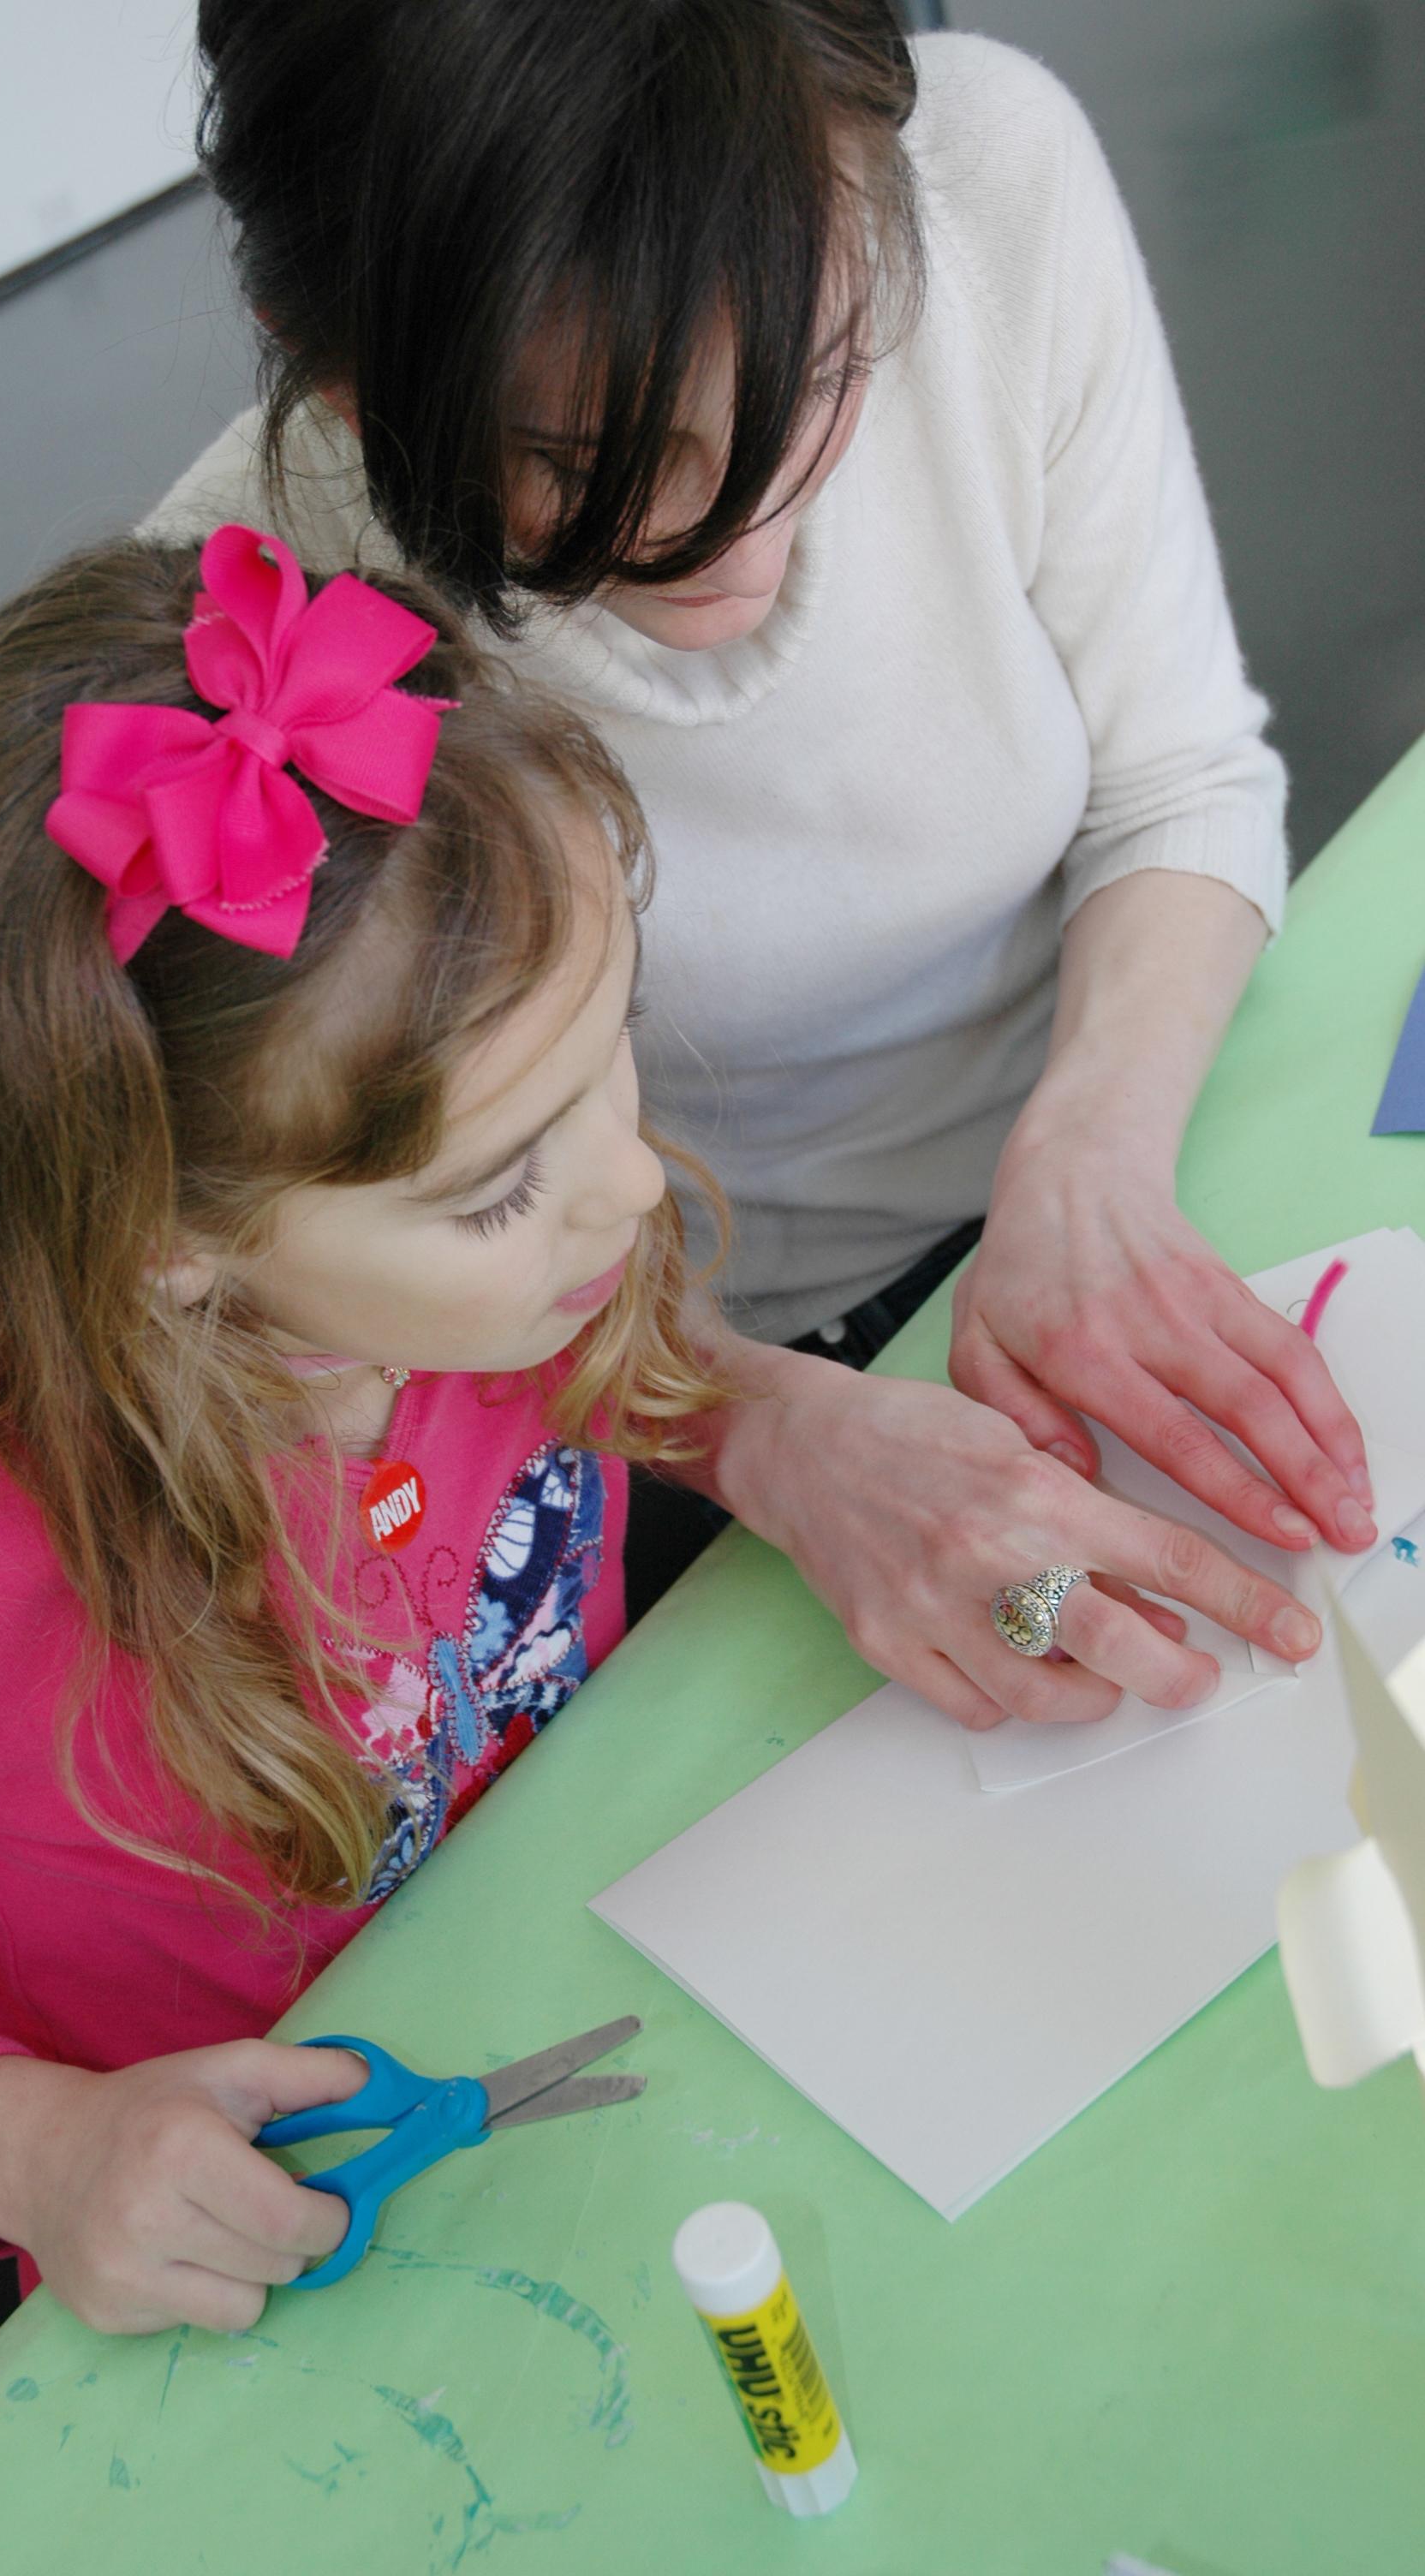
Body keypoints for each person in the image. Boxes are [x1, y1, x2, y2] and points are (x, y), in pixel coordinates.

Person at [152, 0, 1373, 1731]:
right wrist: (762, 1425)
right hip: (619, 1372)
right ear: (334, 374)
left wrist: (1089, 1161)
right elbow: (346, 1270)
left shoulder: (988, 172)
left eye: (823, 368)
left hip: (1127, 1133)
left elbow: (1177, 774)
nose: (751, 515)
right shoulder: (234, 655)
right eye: (591, 465)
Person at [0, 523, 730, 2358]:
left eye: (616, 1046)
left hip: (630, 1997)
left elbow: (628, 1369)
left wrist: (793, 1420)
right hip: (274, 2282)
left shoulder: (495, 1287)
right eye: (499, 1191)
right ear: (169, 1249)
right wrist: (34, 2139)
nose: (635, 1185)